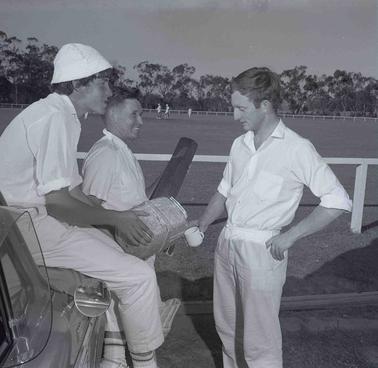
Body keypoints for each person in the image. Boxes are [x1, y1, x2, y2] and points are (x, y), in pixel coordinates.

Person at [0, 43, 164, 368]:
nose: (109, 91)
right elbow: (59, 203)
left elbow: (72, 190)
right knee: (139, 277)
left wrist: (113, 221)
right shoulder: (53, 117)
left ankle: (114, 356)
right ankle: (144, 361)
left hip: (32, 222)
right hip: (25, 229)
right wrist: (116, 220)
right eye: (102, 83)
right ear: (78, 84)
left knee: (123, 259)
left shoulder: (62, 115)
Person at [197, 67, 352, 368]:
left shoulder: (297, 148)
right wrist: (203, 223)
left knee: (259, 343)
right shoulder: (239, 144)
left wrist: (291, 235)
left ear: (264, 105)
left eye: (241, 108)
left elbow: (337, 201)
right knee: (227, 331)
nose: (234, 116)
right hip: (227, 244)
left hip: (262, 251)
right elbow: (224, 192)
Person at [82, 89, 181, 338]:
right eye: (134, 114)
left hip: (138, 250)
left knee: (137, 325)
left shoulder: (121, 150)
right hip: (119, 254)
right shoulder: (105, 154)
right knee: (128, 329)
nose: (141, 121)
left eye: (142, 114)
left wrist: (164, 229)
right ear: (114, 115)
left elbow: (133, 201)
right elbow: (90, 209)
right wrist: (116, 247)